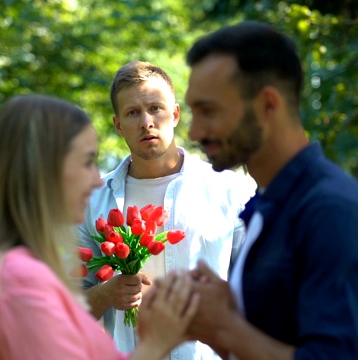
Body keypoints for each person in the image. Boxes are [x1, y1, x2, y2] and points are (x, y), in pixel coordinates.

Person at [184, 22, 358, 359]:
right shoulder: (268, 203)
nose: (194, 132)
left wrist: (225, 326)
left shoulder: (333, 212)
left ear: (268, 104)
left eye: (208, 111)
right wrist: (225, 316)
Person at [0, 94, 200, 360]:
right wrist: (158, 341)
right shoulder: (21, 279)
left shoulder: (14, 269)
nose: (97, 182)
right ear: (42, 171)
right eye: (86, 162)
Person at [77, 61, 255, 359]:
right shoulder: (90, 200)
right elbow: (66, 309)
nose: (146, 121)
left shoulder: (231, 190)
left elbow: (259, 292)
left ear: (175, 114)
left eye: (155, 108)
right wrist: (105, 293)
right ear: (118, 125)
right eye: (133, 112)